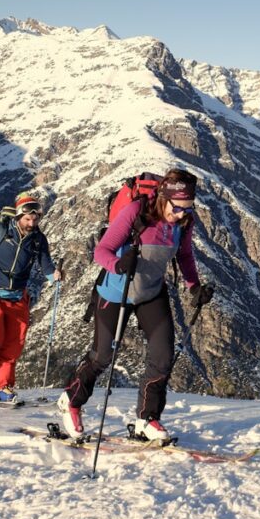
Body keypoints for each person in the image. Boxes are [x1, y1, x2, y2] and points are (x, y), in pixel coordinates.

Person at [57, 168, 215, 441]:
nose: (181, 214)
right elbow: (101, 251)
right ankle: (71, 401)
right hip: (115, 293)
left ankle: (147, 418)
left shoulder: (184, 222)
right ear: (164, 197)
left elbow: (185, 256)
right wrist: (118, 264)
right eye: (177, 208)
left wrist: (194, 287)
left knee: (162, 357)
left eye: (188, 209)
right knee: (102, 357)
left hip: (151, 293)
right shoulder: (135, 213)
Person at [0, 193, 61, 403]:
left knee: (13, 345)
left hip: (18, 297)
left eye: (35, 219)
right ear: (18, 216)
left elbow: (45, 264)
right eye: (28, 219)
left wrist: (54, 275)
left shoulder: (38, 239)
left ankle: (2, 387)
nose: (32, 223)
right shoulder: (0, 230)